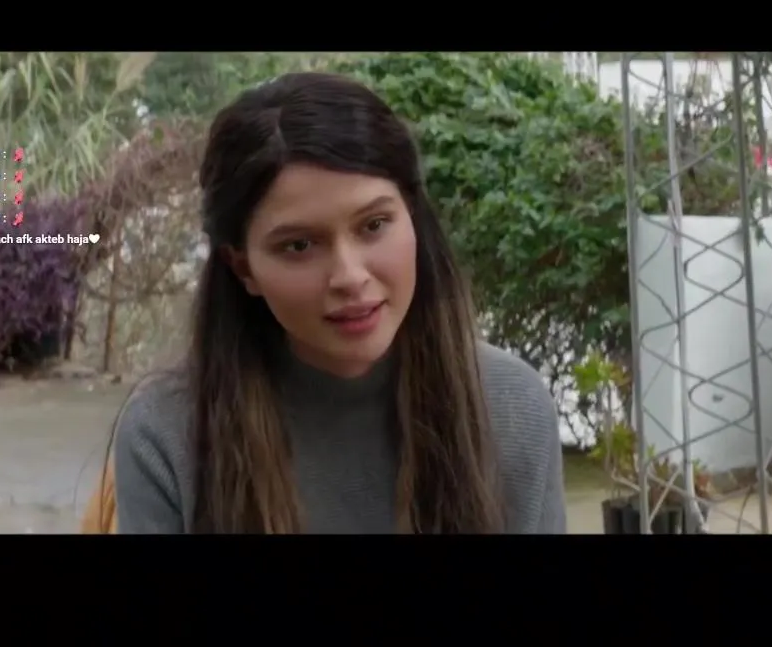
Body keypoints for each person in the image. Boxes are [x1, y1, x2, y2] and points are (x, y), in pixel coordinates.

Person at [108, 72, 566, 534]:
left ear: (412, 216)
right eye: (299, 246)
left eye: (373, 225)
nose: (349, 276)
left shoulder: (510, 408)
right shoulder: (167, 434)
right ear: (243, 268)